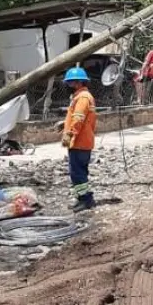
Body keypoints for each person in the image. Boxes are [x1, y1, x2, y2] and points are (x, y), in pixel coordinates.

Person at [61, 66, 97, 212]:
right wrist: (64, 125)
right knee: (80, 171)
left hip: (79, 142)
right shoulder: (82, 96)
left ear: (78, 83)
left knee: (77, 173)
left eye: (70, 83)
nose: (68, 86)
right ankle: (85, 198)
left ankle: (85, 200)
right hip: (83, 141)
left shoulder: (82, 98)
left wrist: (69, 133)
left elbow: (79, 119)